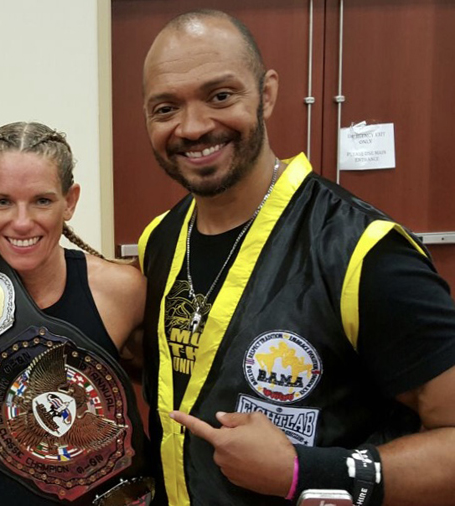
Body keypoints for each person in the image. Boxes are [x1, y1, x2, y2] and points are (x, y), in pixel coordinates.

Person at [136, 9, 455, 506]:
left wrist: (304, 472)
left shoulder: (363, 250)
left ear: (266, 94)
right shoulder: (160, 238)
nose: (193, 127)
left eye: (220, 96)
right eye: (165, 108)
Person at [0, 122, 155, 505]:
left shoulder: (123, 291)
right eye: (2, 201)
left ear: (70, 201)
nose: (21, 221)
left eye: (42, 201)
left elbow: (164, 391)